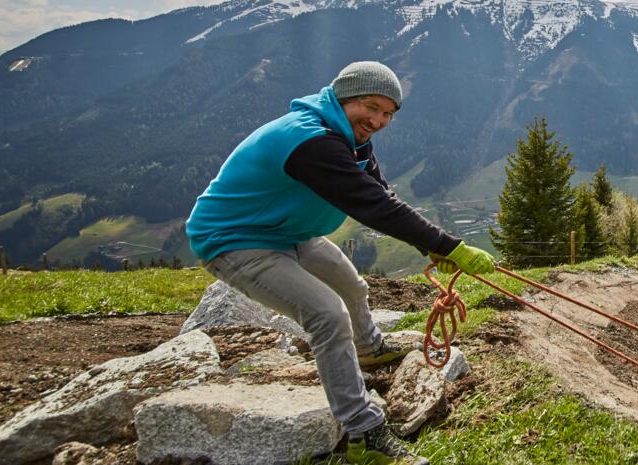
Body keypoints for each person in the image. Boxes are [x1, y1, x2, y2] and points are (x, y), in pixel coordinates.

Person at [185, 61, 494, 465]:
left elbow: (378, 190)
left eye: (388, 113)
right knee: (327, 315)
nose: (379, 120)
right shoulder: (309, 139)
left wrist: (429, 247)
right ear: (345, 97)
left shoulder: (350, 138)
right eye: (371, 107)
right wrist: (450, 246)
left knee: (351, 285)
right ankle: (364, 434)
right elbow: (372, 205)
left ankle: (368, 349)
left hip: (286, 234)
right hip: (235, 241)